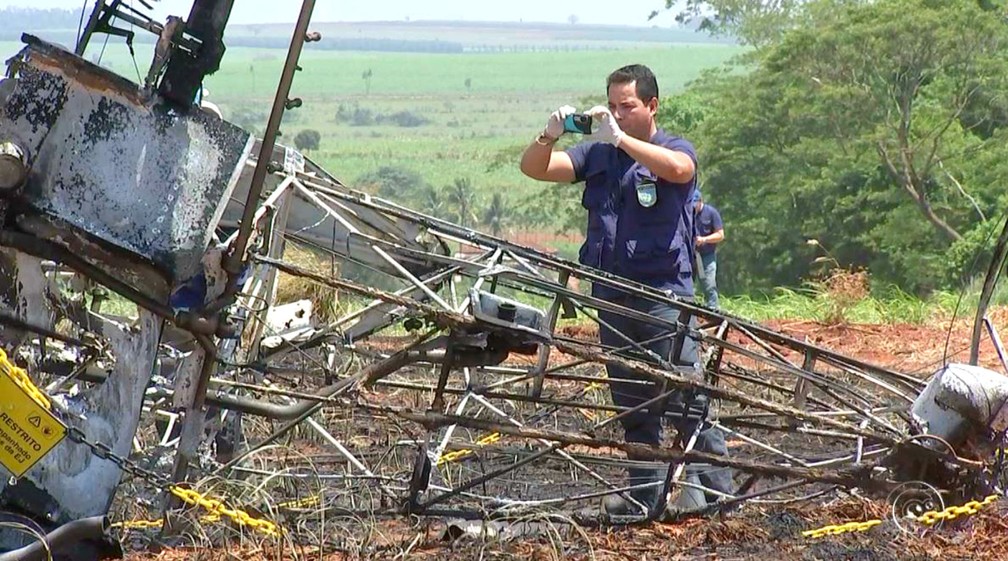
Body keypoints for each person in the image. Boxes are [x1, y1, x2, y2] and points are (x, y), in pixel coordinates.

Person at [519, 64, 732, 518]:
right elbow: (535, 169)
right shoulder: (598, 156)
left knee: (685, 395)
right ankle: (645, 494)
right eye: (612, 107)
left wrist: (623, 139)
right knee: (632, 399)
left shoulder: (671, 148)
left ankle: (716, 493)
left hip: (661, 293)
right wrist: (549, 134)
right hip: (611, 293)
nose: (618, 114)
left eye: (628, 107)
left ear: (652, 105)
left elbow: (681, 169)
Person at [693, 190, 724, 309]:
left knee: (709, 284)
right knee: (688, 285)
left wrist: (704, 239)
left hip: (707, 255)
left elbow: (720, 235)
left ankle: (713, 309)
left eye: (695, 204)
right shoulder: (687, 213)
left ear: (701, 201)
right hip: (691, 255)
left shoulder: (711, 213)